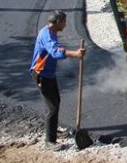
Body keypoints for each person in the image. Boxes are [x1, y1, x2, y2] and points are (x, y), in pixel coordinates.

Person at [29, 10, 86, 150]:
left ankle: (53, 129)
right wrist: (75, 54)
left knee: (56, 102)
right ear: (58, 22)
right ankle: (50, 141)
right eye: (64, 22)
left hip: (49, 74)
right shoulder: (47, 35)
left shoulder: (50, 32)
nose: (65, 25)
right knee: (52, 107)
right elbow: (55, 51)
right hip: (41, 74)